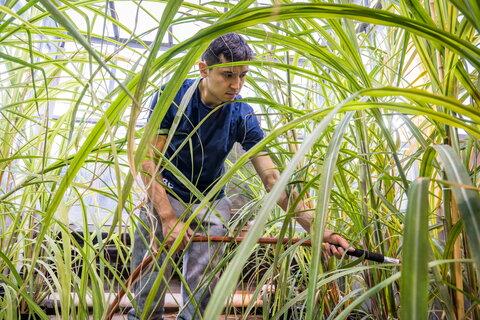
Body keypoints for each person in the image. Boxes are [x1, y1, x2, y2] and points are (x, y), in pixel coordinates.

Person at [128, 32, 351, 320]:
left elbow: (273, 180)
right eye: (228, 75)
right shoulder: (172, 97)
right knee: (148, 283)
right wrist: (169, 217)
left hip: (210, 201)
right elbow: (147, 160)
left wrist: (319, 230)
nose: (236, 85)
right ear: (204, 69)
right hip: (164, 193)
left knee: (203, 294)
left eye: (243, 75)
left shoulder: (242, 114)